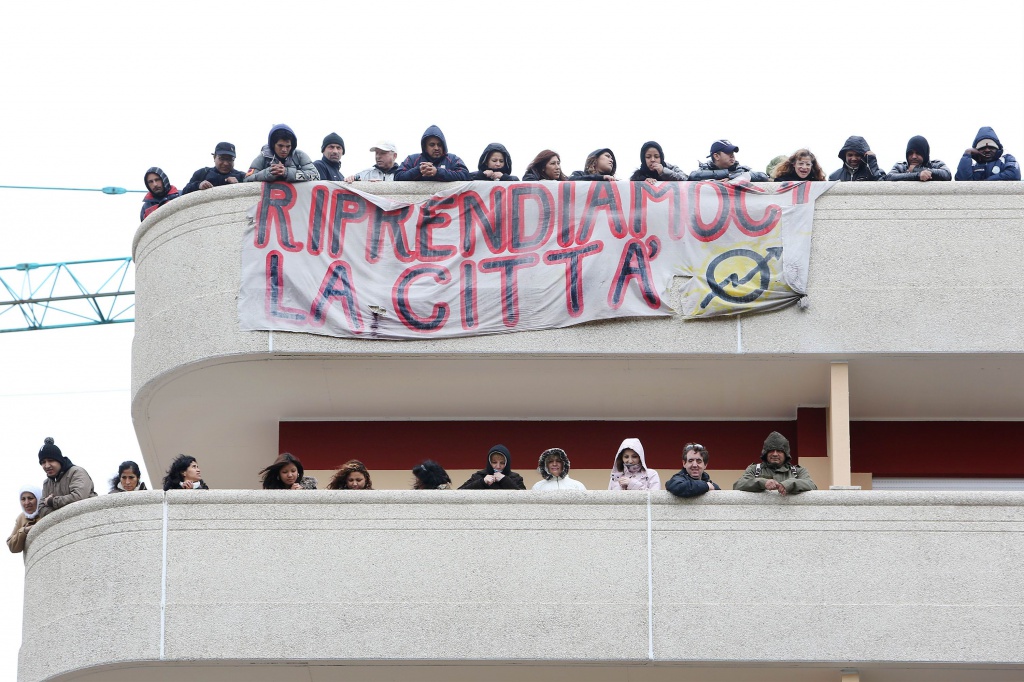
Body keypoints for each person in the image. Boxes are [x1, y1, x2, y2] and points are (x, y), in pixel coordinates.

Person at [733, 432, 816, 495]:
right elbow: (738, 485)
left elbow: (811, 485)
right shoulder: (754, 469)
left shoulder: (798, 471)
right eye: (771, 451)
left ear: (785, 454)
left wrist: (789, 484)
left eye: (779, 451)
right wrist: (763, 482)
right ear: (766, 453)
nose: (775, 454)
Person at [36, 437, 96, 520]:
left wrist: (52, 501)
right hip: (64, 526)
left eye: (51, 460)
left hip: (88, 520)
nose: (47, 465)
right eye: (43, 462)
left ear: (59, 460)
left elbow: (79, 498)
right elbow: (41, 509)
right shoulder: (46, 483)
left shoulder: (76, 472)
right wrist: (59, 515)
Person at [243, 123, 319, 183]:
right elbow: (247, 180)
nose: (284, 150)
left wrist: (287, 172)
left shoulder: (300, 156)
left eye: (288, 146)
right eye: (280, 145)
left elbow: (316, 177)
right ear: (273, 144)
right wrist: (268, 173)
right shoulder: (263, 157)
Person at [394, 125, 470, 181]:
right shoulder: (412, 159)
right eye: (432, 145)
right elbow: (397, 176)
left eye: (439, 145)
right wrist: (419, 170)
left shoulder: (453, 159)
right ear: (425, 146)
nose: (436, 148)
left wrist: (438, 172)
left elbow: (466, 175)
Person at [955, 126, 1020, 181]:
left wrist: (986, 182)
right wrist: (967, 153)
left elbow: (1014, 174)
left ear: (997, 149)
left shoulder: (1006, 159)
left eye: (991, 147)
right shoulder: (972, 166)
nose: (987, 150)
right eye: (982, 148)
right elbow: (962, 181)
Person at [688, 140, 770, 182]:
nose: (732, 155)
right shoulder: (702, 171)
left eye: (732, 152)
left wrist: (732, 178)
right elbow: (693, 176)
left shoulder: (741, 170)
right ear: (716, 156)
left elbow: (763, 176)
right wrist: (723, 175)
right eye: (727, 152)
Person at [181, 142, 245, 194]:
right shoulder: (202, 173)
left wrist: (238, 185)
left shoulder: (241, 176)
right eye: (222, 158)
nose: (226, 163)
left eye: (230, 159)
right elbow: (184, 192)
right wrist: (198, 185)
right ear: (214, 157)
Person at [458, 444, 526, 490]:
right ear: (489, 462)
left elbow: (525, 499)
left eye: (502, 463)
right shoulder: (479, 476)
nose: (498, 466)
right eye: (494, 462)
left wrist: (505, 480)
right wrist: (482, 482)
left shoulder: (516, 478)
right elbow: (458, 493)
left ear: (507, 463)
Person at [885, 136, 951, 182]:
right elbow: (889, 177)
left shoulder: (936, 164)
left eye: (918, 153)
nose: (914, 156)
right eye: (910, 153)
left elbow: (947, 175)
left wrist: (916, 169)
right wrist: (917, 175)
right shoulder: (901, 166)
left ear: (925, 154)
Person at [7, 485, 42, 554]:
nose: (26, 503)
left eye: (30, 498)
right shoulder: (21, 518)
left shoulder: (47, 511)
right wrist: (25, 530)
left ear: (39, 499)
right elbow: (12, 547)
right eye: (23, 499)